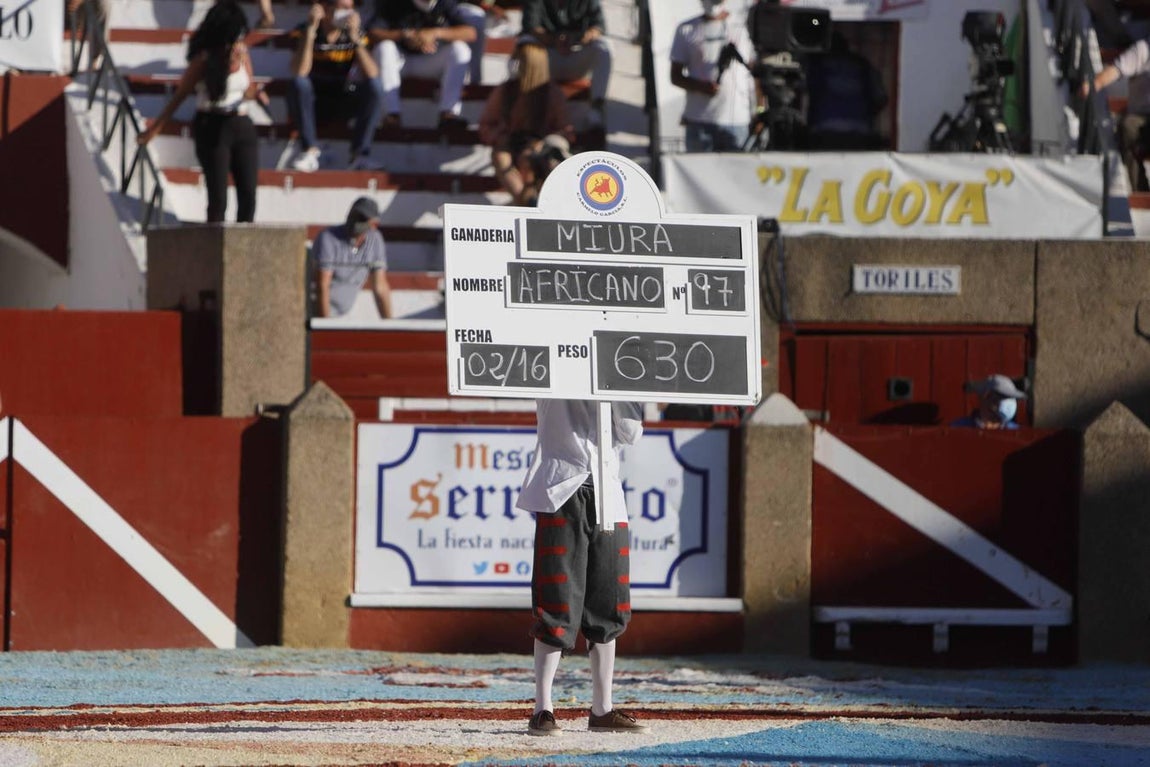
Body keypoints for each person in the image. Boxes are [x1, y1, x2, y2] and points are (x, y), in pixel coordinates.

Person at [515, 399, 647, 736]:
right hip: (562, 488)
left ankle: (602, 709)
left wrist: (617, 389)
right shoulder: (558, 366)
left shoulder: (621, 368)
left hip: (608, 494)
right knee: (557, 600)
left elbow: (631, 433)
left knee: (609, 602)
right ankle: (542, 708)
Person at [138, 0, 266, 223]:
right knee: (218, 198)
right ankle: (214, 247)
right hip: (213, 124)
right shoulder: (204, 61)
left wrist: (256, 93)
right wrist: (154, 130)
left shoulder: (243, 54)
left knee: (249, 195)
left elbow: (249, 89)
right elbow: (179, 97)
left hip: (241, 122)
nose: (237, 41)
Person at [287, 0, 386, 172]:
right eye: (342, 8)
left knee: (375, 87)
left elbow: (373, 73)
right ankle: (310, 151)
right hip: (313, 99)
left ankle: (360, 155)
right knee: (299, 84)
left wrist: (355, 38)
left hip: (343, 95)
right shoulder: (305, 29)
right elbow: (300, 71)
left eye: (350, 8)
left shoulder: (355, 33)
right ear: (326, 8)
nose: (347, 13)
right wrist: (310, 32)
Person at [478, 42, 573, 204]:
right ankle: (526, 203)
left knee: (531, 159)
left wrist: (541, 144)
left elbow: (566, 130)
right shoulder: (505, 90)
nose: (515, 64)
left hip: (542, 146)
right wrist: (500, 136)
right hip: (511, 142)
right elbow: (486, 124)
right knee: (501, 157)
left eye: (520, 61)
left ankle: (537, 199)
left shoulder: (552, 93)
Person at [367, 0, 478, 131]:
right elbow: (373, 32)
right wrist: (404, 35)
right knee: (384, 47)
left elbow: (470, 33)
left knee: (460, 49)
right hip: (400, 62)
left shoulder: (445, 3)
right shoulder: (394, 4)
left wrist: (435, 33)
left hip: (430, 61)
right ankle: (392, 114)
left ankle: (448, 113)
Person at [669, 0, 757, 152]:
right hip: (699, 121)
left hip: (737, 121)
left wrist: (759, 110)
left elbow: (755, 73)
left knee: (736, 174)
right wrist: (701, 87)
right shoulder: (686, 29)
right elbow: (675, 76)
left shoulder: (744, 28)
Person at [520, 0, 611, 127]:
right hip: (545, 59)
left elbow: (598, 25)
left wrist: (584, 37)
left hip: (576, 54)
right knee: (525, 43)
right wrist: (554, 40)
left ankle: (596, 107)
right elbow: (531, 26)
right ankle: (523, 105)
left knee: (604, 47)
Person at [1083, 35, 1150, 191]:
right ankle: (1141, 191)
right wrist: (1093, 85)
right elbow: (1116, 69)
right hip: (1142, 118)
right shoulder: (1143, 49)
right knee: (1128, 127)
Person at [804, 32, 888, 151]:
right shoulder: (862, 65)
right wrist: (866, 113)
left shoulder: (817, 64)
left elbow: (801, 88)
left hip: (824, 130)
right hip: (859, 130)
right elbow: (881, 97)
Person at [314, 196, 393, 318]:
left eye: (362, 218)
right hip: (316, 314)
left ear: (373, 224)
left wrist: (390, 328)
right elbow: (322, 286)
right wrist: (324, 327)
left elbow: (380, 288)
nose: (355, 221)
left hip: (340, 317)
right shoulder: (328, 238)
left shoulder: (375, 241)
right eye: (353, 215)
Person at [951, 374, 1026, 430]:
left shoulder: (1015, 432)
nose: (998, 403)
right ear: (983, 397)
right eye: (996, 397)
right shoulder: (958, 428)